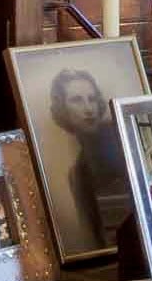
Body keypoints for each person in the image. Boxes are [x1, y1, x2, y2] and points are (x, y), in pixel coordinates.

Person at [50, 67, 130, 247]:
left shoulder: (118, 138)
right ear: (62, 107)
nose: (88, 109)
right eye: (77, 100)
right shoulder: (79, 169)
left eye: (92, 99)